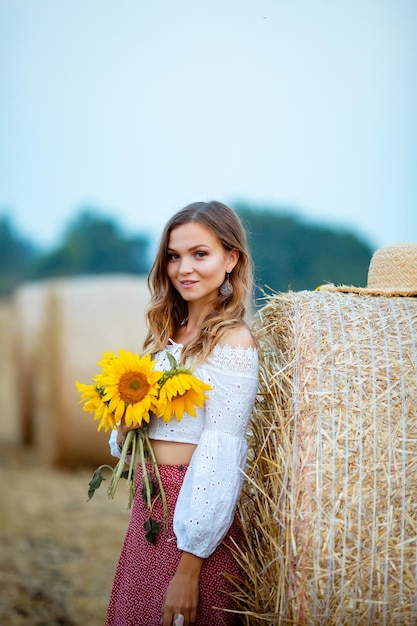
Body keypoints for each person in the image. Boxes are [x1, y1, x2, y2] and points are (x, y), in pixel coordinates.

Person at [106, 201, 259, 626]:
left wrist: (189, 570)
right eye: (174, 256)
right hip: (149, 509)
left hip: (192, 521)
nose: (183, 268)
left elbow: (222, 453)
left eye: (200, 254)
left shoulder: (233, 342)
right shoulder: (165, 338)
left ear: (231, 259)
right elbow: (130, 441)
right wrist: (125, 424)